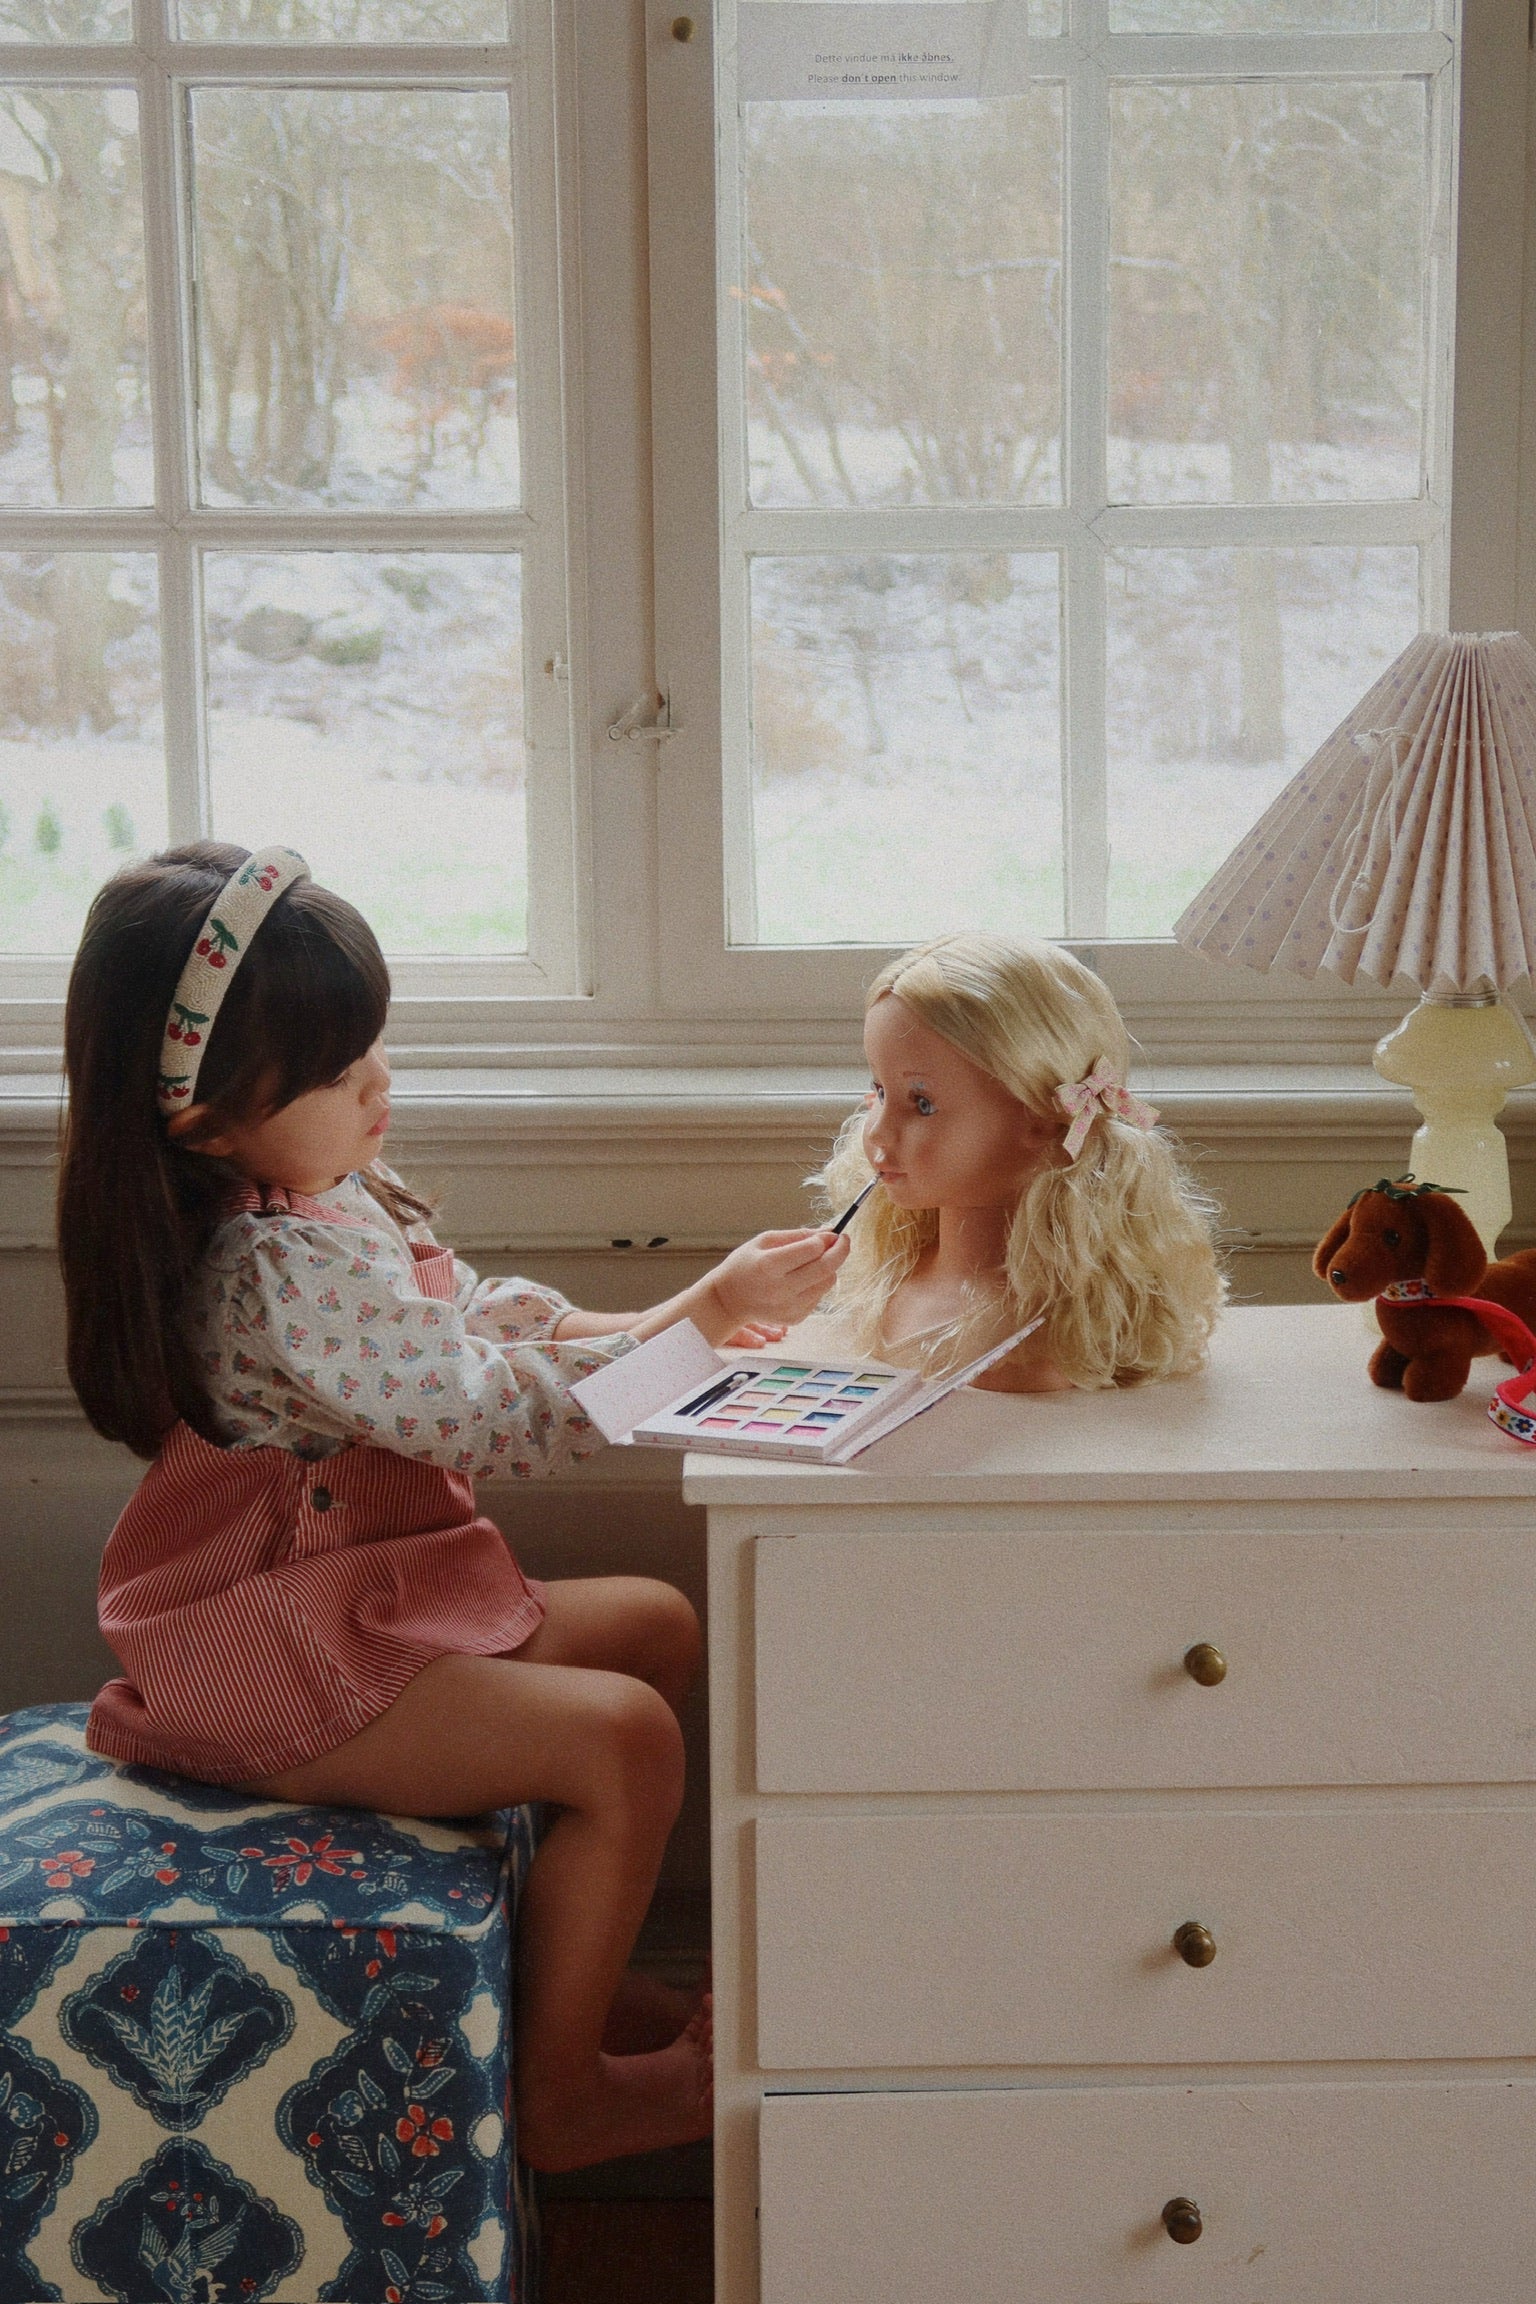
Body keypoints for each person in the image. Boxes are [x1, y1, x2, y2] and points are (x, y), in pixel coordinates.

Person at [57, 841, 849, 2173]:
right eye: (332, 1071)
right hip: (275, 1654)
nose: (376, 1082)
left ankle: (555, 1990)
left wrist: (690, 1318)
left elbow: (478, 1317)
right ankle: (563, 2101)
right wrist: (701, 1323)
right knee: (626, 1741)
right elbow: (490, 1410)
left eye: (371, 1044)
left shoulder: (325, 1195)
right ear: (206, 1121)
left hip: (362, 1600)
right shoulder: (270, 1269)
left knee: (655, 1624)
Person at [813, 931, 1223, 1391]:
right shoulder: (893, 1279)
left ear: (1040, 1119)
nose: (877, 1132)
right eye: (881, 1091)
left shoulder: (1028, 1340)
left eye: (922, 1103)